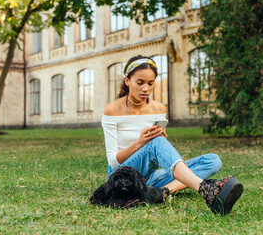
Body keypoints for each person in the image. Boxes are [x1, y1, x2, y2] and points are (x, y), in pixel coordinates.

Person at [101, 55, 243, 214]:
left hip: (150, 177)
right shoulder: (112, 110)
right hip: (121, 177)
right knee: (154, 144)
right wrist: (140, 143)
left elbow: (157, 152)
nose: (146, 89)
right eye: (140, 83)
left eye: (151, 83)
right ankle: (204, 189)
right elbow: (113, 161)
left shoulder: (159, 108)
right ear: (127, 81)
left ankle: (160, 192)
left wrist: (160, 139)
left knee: (213, 161)